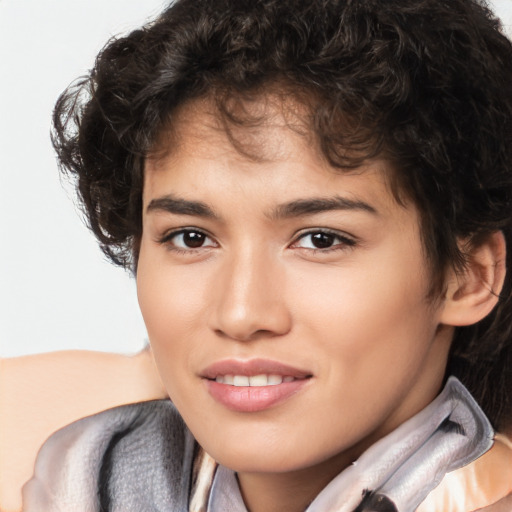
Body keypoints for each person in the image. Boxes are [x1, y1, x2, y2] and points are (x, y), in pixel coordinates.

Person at [21, 0, 512, 510]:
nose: (240, 314)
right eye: (191, 238)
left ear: (468, 278)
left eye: (320, 239)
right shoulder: (82, 473)